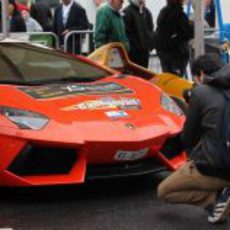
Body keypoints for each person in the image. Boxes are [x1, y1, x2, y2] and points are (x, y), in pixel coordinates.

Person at [157, 54, 230, 224]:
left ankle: (214, 201)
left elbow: (189, 138)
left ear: (201, 75)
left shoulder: (201, 92)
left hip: (216, 167)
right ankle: (222, 197)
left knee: (164, 191)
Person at [155, 0, 194, 77]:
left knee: (167, 78)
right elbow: (189, 32)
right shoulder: (178, 14)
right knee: (176, 80)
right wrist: (192, 25)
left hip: (164, 53)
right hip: (176, 55)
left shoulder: (163, 11)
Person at [123, 0, 154, 68]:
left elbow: (150, 29)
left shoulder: (146, 12)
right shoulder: (127, 12)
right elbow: (126, 34)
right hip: (133, 54)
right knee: (134, 75)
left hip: (145, 52)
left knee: (144, 75)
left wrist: (151, 44)